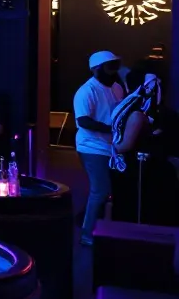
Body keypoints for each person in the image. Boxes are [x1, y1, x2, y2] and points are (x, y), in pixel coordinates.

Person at [109, 63, 177, 227]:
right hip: (140, 171)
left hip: (140, 171)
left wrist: (111, 149)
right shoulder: (157, 113)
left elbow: (126, 144)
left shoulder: (136, 114)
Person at [74, 51, 125, 244]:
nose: (114, 71)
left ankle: (106, 229)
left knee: (109, 190)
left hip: (112, 146)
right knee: (100, 190)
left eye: (115, 66)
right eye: (110, 67)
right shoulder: (86, 91)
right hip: (91, 147)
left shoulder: (117, 88)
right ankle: (87, 234)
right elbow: (83, 120)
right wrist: (113, 128)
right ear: (96, 69)